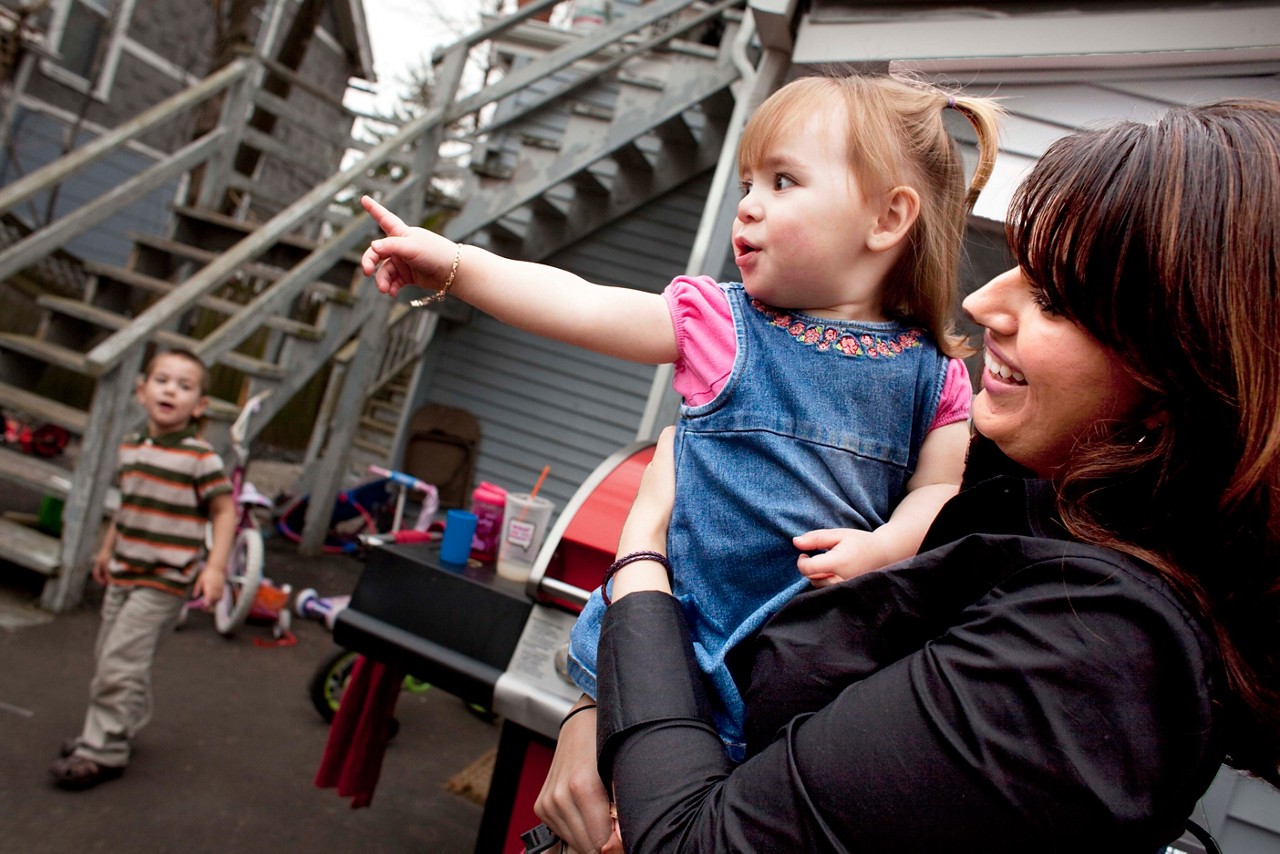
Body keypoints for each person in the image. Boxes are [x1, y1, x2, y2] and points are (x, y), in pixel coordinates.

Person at [534, 97, 1280, 852]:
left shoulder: (1096, 654)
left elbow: (695, 844)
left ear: (1187, 372)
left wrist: (639, 563)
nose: (983, 300)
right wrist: (600, 709)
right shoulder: (1027, 498)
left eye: (1054, 297)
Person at [361, 73, 1003, 758]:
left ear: (887, 218)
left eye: (782, 181)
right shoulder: (721, 324)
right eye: (747, 185)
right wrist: (457, 264)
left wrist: (884, 547)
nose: (749, 207)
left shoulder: (935, 378)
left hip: (790, 687)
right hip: (663, 649)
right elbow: (580, 304)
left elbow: (939, 494)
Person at [50, 348, 236, 790]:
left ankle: (103, 750)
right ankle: (117, 727)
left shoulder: (200, 458)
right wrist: (105, 550)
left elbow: (224, 512)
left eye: (185, 386)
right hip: (124, 570)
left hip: (164, 580)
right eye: (162, 380)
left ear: (200, 405)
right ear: (142, 390)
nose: (171, 389)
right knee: (116, 658)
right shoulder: (132, 447)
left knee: (118, 664)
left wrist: (215, 568)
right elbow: (128, 506)